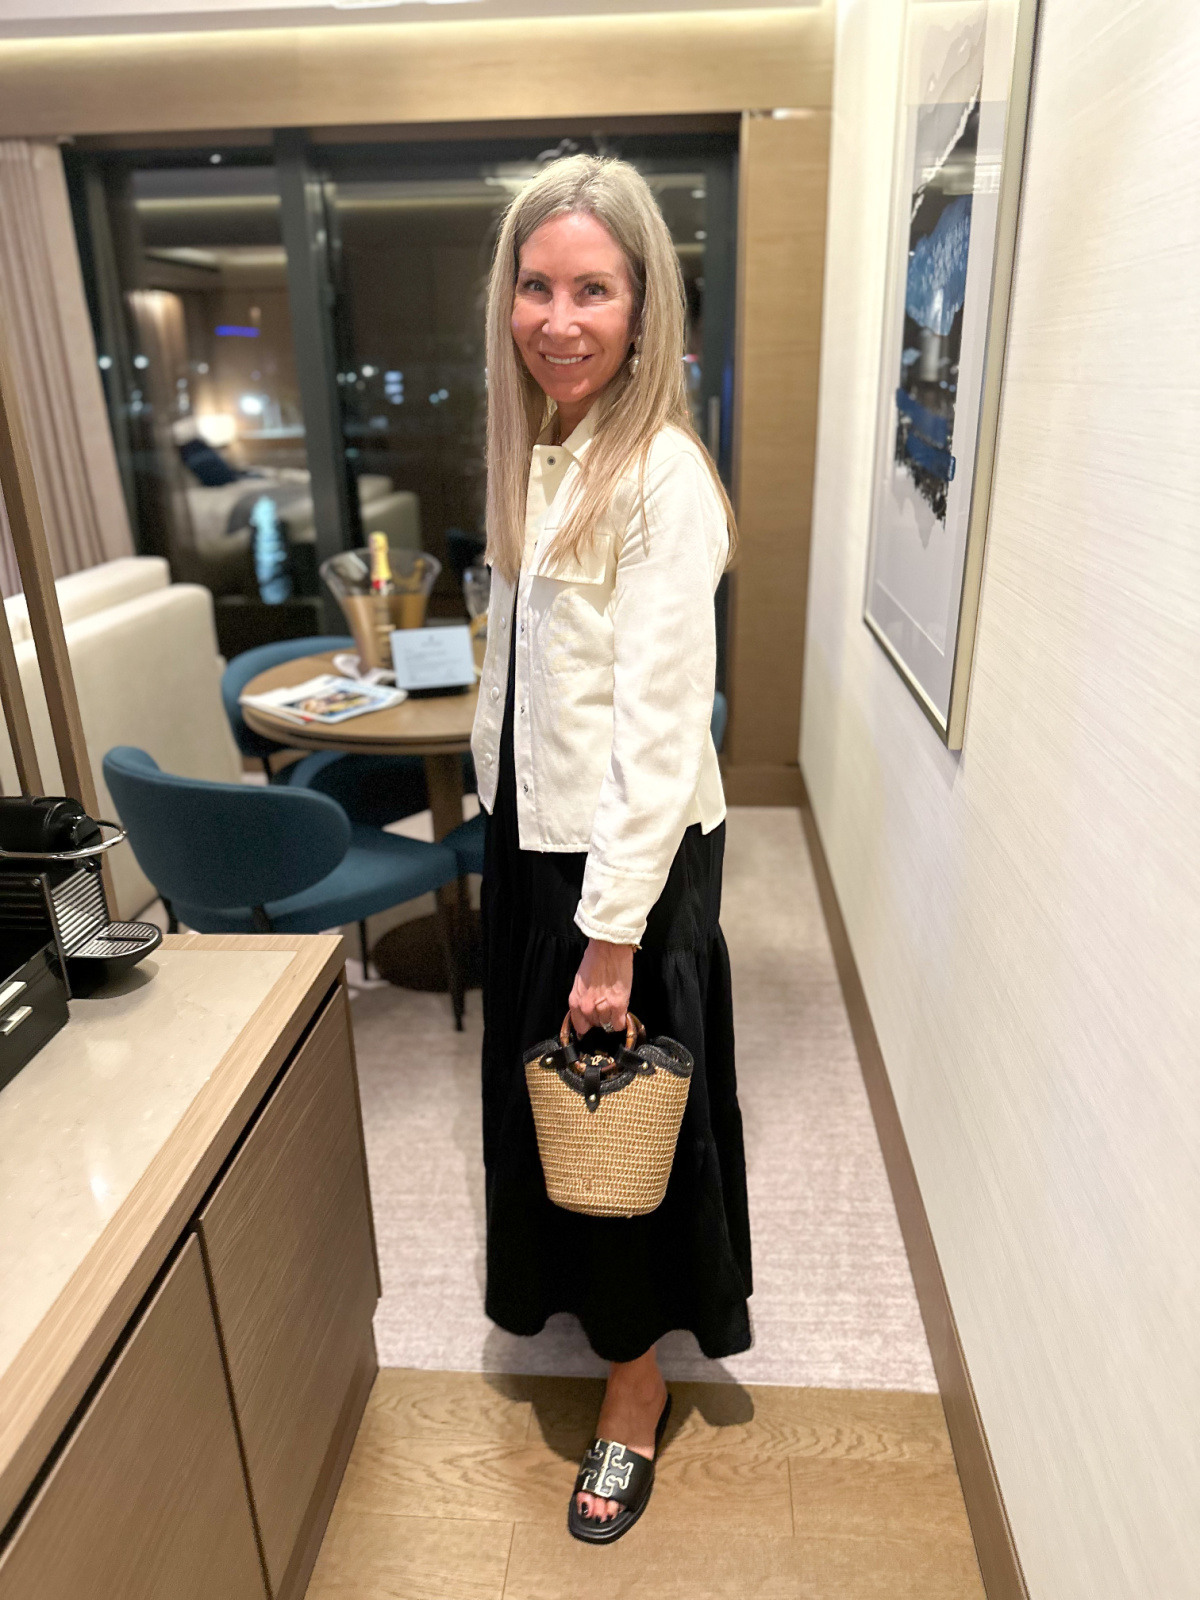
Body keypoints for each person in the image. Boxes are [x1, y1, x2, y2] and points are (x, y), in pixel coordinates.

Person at [472, 154, 752, 1545]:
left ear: (645, 308)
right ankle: (592, 1325)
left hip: (617, 868)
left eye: (594, 288)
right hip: (539, 840)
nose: (559, 317)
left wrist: (611, 932)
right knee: (555, 1119)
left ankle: (635, 1394)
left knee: (617, 1118)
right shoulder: (548, 444)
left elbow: (658, 725)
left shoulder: (663, 479)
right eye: (537, 285)